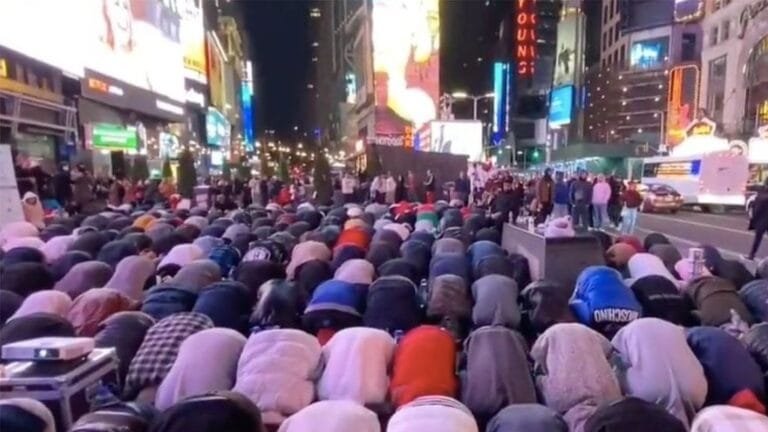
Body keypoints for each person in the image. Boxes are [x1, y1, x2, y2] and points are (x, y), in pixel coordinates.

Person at [746, 179, 768, 260]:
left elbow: (757, 208)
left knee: (757, 239)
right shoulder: (762, 193)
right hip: (763, 220)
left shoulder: (762, 193)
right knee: (757, 239)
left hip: (762, 220)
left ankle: (751, 255)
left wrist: (753, 218)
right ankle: (751, 255)